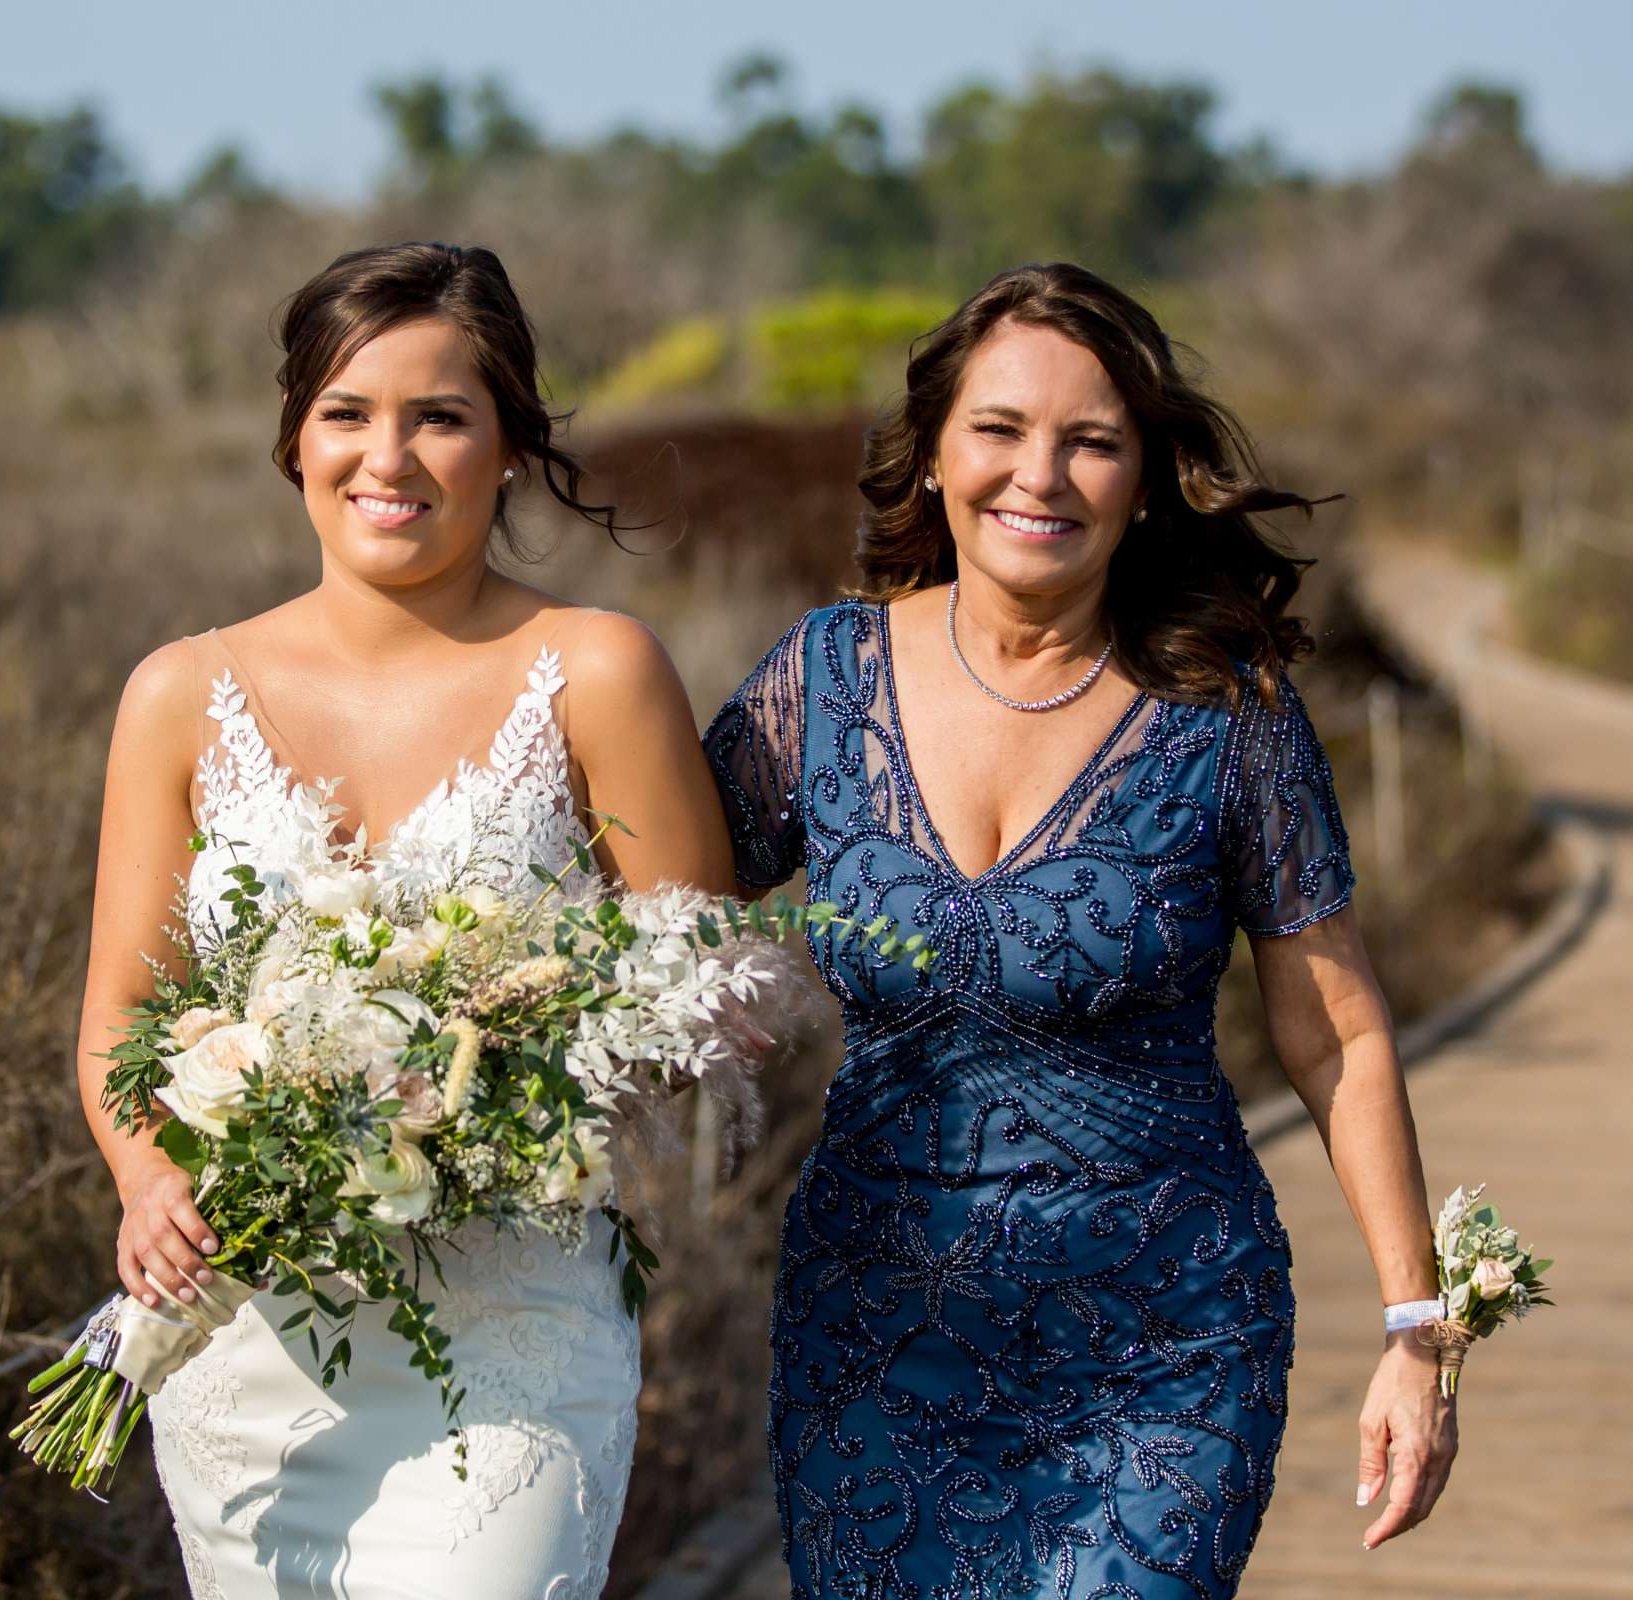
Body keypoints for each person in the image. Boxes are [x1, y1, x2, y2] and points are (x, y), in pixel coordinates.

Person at [702, 262, 1457, 1597]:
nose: (1037, 476)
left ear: (1147, 478)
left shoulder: (1229, 713)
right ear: (934, 455)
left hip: (1161, 1347)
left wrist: (1417, 1325)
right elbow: (639, 912)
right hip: (876, 1342)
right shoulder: (819, 683)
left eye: (1090, 442)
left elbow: (1336, 1032)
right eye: (998, 430)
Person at [73, 241, 733, 1598]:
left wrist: (507, 1071)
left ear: (508, 448)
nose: (391, 457)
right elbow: (120, 1024)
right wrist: (150, 1179)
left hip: (514, 1328)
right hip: (249, 1335)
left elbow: (700, 990)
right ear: (293, 442)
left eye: (440, 416)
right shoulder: (176, 697)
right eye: (348, 414)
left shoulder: (598, 672)